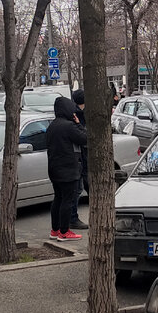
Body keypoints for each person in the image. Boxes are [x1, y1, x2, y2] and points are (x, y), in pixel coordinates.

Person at [47, 96, 87, 241]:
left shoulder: (52, 126)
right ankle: (64, 232)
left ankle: (55, 230)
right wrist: (78, 124)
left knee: (58, 198)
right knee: (67, 200)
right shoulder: (69, 126)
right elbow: (85, 138)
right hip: (69, 169)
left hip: (54, 168)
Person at [68, 89, 90, 230]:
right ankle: (72, 218)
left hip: (80, 158)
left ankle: (71, 218)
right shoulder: (78, 116)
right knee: (77, 189)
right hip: (79, 158)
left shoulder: (74, 114)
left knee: (80, 188)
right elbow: (83, 136)